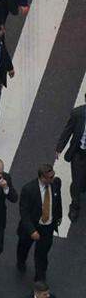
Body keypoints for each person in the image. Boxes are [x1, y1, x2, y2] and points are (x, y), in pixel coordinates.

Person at [15, 163, 62, 282]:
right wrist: (31, 231)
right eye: (50, 177)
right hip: (32, 226)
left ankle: (40, 276)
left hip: (47, 227)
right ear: (42, 177)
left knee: (42, 254)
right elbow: (24, 213)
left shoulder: (55, 184)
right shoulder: (29, 189)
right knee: (24, 247)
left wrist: (58, 216)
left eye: (53, 176)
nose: (53, 179)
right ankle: (21, 262)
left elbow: (57, 201)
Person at [54, 90, 86, 222]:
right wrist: (59, 148)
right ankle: (75, 206)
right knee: (77, 182)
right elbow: (68, 131)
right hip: (78, 153)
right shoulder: (78, 114)